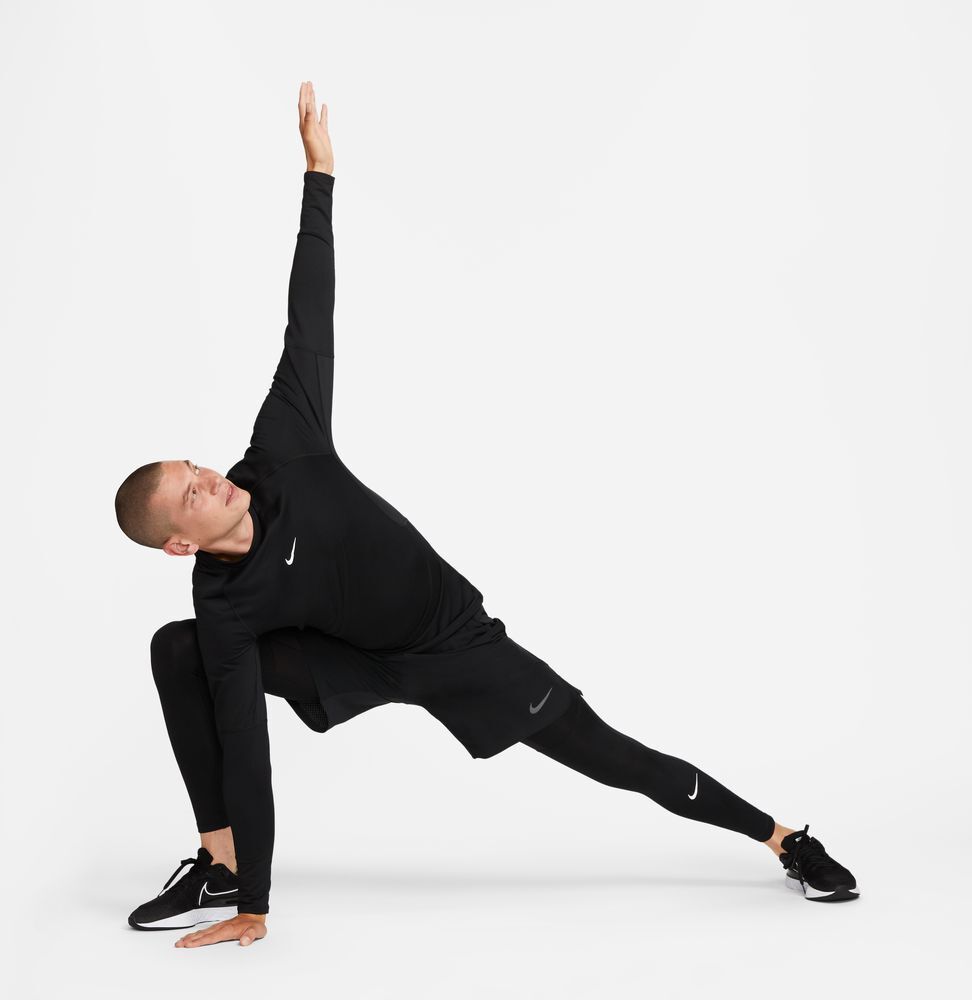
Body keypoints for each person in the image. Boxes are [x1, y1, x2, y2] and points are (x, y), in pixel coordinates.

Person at [114, 82, 859, 949]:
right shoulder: (223, 605)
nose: (210, 478)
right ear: (180, 544)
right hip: (353, 660)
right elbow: (245, 742)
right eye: (191, 493)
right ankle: (223, 865)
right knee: (176, 650)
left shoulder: (284, 450)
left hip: (454, 643)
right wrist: (259, 903)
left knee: (611, 757)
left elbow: (307, 319)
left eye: (196, 467)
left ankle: (784, 839)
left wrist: (319, 178)